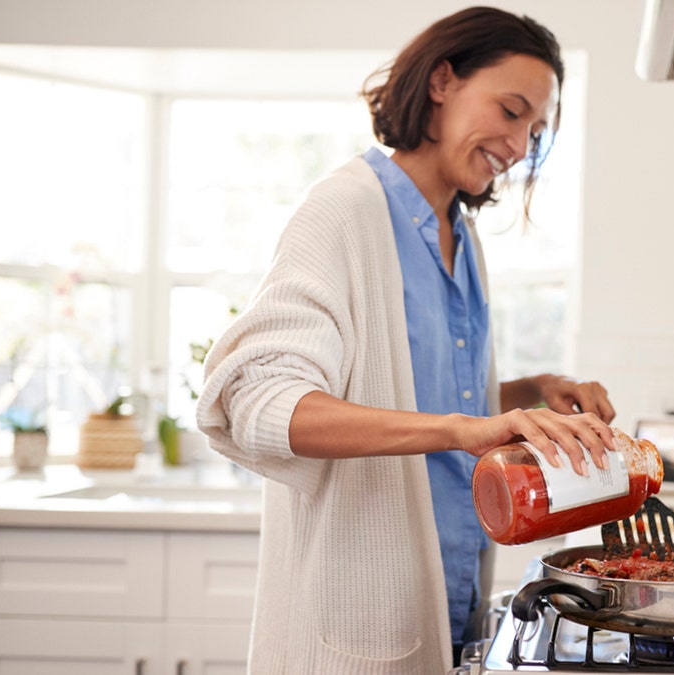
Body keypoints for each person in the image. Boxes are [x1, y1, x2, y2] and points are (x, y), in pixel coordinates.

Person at [197, 7, 617, 673]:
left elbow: (407, 386)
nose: (517, 146)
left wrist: (525, 394)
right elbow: (260, 402)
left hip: (452, 603)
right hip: (360, 621)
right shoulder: (344, 212)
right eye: (510, 111)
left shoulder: (462, 235)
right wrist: (464, 427)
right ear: (443, 81)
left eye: (534, 130)